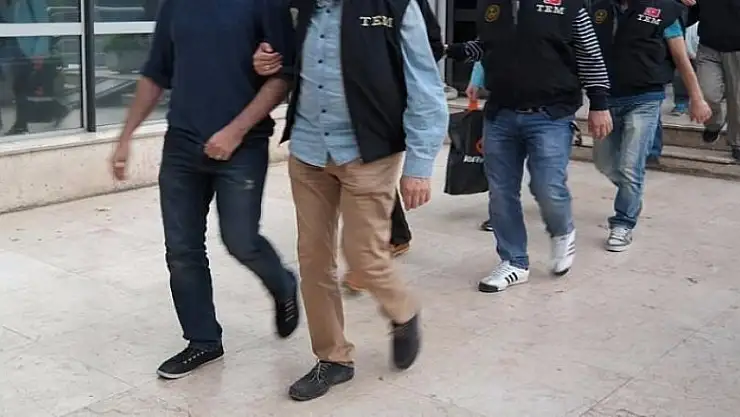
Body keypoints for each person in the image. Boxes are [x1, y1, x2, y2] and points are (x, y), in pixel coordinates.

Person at [253, 0, 448, 401]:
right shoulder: (302, 7)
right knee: (313, 258)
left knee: (364, 257)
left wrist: (419, 164)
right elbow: (284, 57)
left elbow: (424, 83)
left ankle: (403, 311)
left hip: (369, 153)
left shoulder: (395, 5)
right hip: (308, 151)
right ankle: (333, 357)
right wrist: (265, 58)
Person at [108, 0, 300, 380]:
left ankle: (283, 284)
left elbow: (283, 76)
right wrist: (125, 136)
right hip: (182, 146)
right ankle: (203, 340)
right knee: (182, 251)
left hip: (242, 147)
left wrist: (235, 132)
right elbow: (155, 74)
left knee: (241, 240)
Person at [446, 0, 613, 293]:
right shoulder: (492, 6)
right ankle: (514, 262)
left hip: (550, 115)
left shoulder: (569, 7)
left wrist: (599, 104)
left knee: (547, 186)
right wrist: (452, 49)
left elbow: (590, 56)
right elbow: (486, 46)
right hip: (501, 115)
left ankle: (562, 231)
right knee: (501, 192)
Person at [589, 0, 711, 252]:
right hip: (605, 100)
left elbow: (681, 59)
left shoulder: (664, 10)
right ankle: (631, 193)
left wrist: (696, 98)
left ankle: (623, 222)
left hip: (645, 99)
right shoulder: (598, 7)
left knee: (630, 166)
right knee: (604, 163)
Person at [687, 0, 740, 161]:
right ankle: (713, 124)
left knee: (737, 100)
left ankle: (737, 143)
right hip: (708, 47)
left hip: (737, 49)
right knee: (706, 93)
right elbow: (691, 10)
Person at [465, 61, 494, 232]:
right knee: (501, 169)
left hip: (548, 105)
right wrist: (476, 79)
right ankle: (500, 214)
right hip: (503, 102)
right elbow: (484, 48)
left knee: (544, 182)